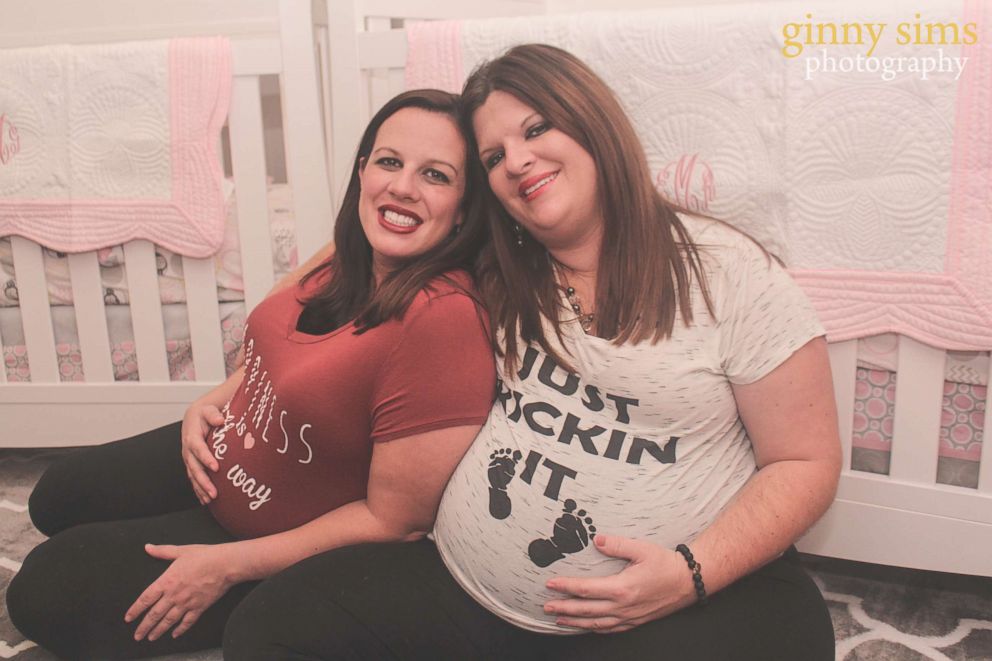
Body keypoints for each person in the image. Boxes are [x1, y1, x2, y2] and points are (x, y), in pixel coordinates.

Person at [223, 44, 841, 660]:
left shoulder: (731, 275)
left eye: (536, 129)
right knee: (265, 628)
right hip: (456, 585)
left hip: (639, 616)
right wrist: (237, 385)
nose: (517, 161)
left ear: (592, 122)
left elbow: (804, 461)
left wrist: (690, 574)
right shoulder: (499, 263)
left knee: (791, 630)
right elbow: (345, 251)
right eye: (493, 157)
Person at [6, 88, 496, 660]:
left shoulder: (443, 320)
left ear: (465, 205)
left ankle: (260, 595)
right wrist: (214, 398)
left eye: (435, 175)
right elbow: (285, 340)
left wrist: (225, 568)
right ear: (363, 170)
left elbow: (397, 521)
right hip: (226, 453)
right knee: (57, 498)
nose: (403, 186)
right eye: (389, 162)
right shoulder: (353, 250)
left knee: (44, 592)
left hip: (263, 537)